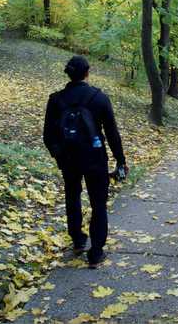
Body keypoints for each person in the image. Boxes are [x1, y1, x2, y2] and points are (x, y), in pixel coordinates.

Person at [43, 55, 129, 268]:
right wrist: (120, 160)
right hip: (95, 158)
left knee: (72, 195)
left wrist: (59, 156)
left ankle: (78, 240)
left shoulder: (56, 99)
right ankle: (96, 253)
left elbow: (48, 135)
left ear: (68, 73)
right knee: (98, 203)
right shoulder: (99, 98)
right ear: (87, 72)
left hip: (68, 159)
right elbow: (112, 133)